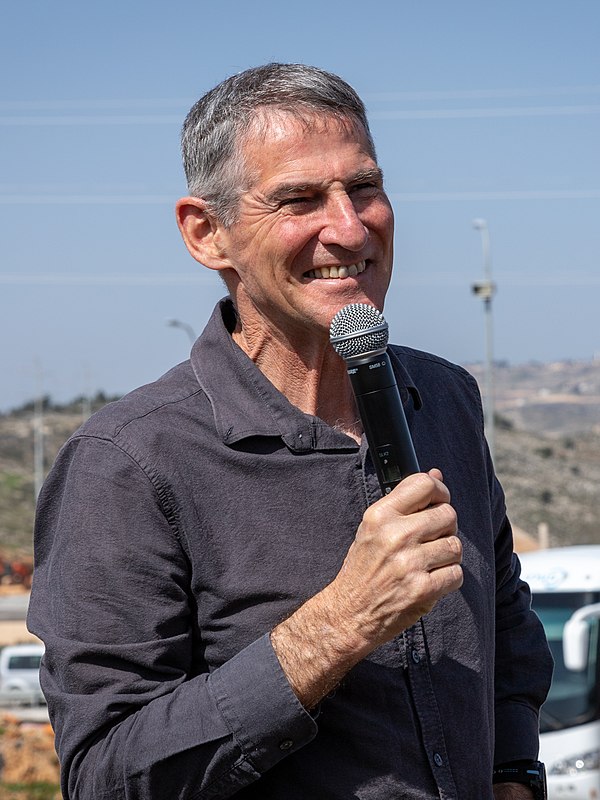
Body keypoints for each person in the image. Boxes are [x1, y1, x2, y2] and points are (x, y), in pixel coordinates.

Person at [28, 63, 552, 800]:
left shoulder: (445, 398)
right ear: (207, 233)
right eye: (300, 199)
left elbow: (507, 632)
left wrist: (515, 774)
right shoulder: (130, 463)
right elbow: (108, 774)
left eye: (364, 188)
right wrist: (338, 625)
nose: (349, 226)